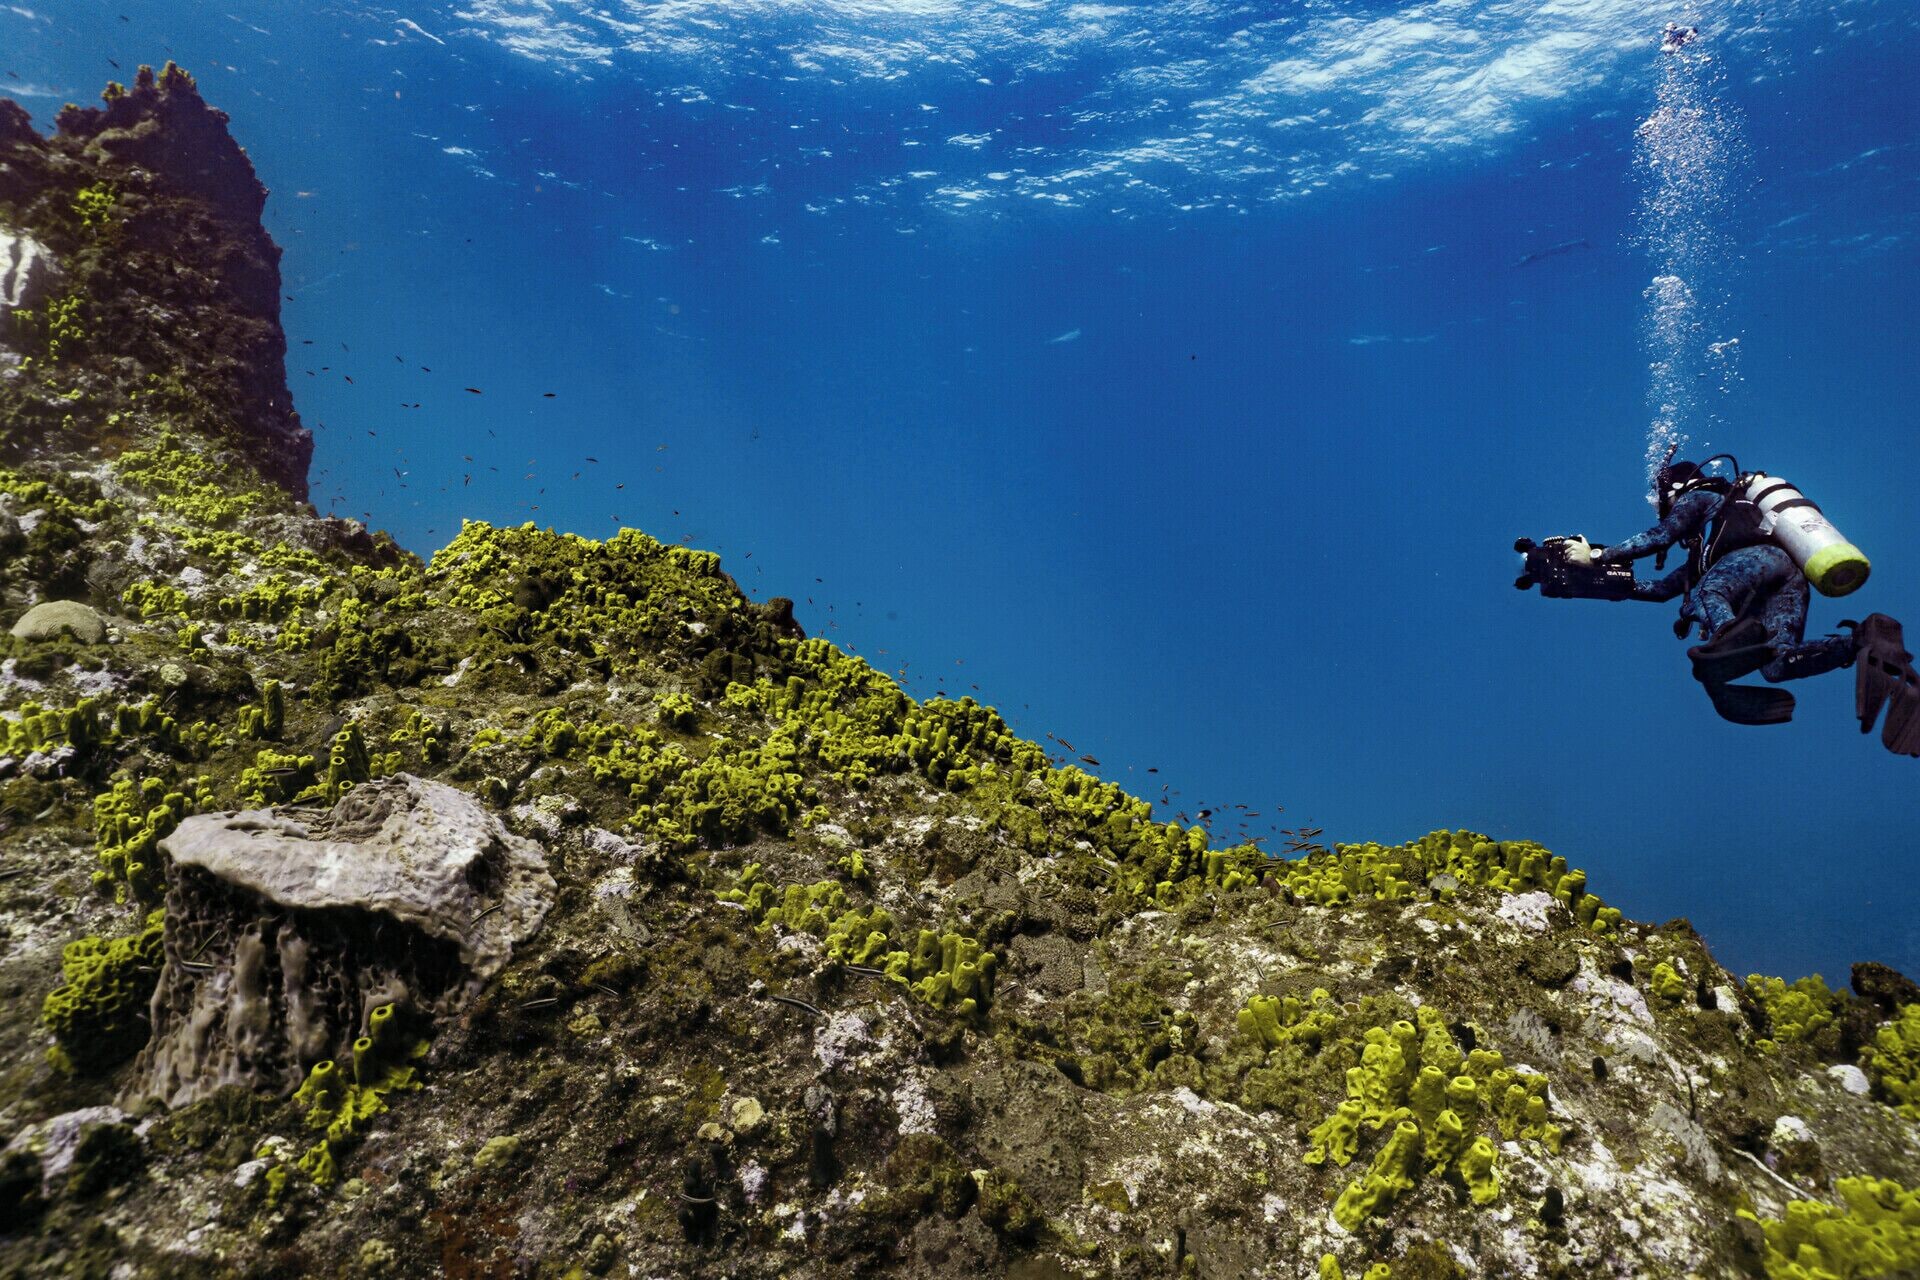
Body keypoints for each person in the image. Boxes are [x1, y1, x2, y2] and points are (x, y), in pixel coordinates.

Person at [1566, 457, 1902, 732]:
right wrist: (1592, 583)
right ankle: (1861, 642)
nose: (1668, 511)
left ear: (1678, 489)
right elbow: (1661, 590)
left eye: (1664, 503)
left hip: (1752, 559)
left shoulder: (1700, 497)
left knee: (1708, 593)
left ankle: (1729, 638)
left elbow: (1660, 536)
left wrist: (1597, 556)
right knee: (1776, 666)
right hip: (1788, 573)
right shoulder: (1708, 549)